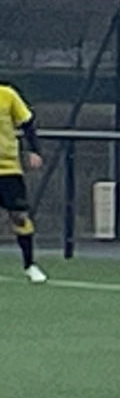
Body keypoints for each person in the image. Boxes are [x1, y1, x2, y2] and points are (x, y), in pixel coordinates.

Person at [0, 78, 46, 282]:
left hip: (8, 168)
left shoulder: (7, 95)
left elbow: (27, 123)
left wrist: (35, 150)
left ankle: (30, 265)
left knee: (19, 215)